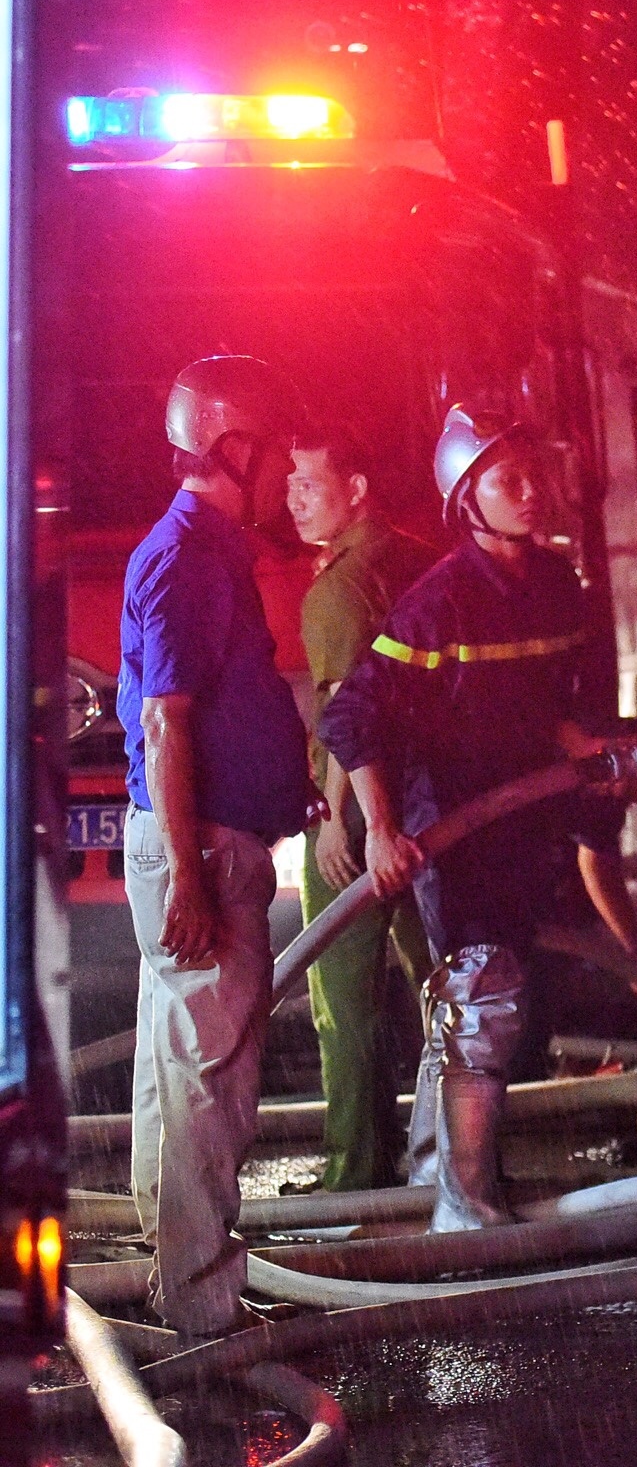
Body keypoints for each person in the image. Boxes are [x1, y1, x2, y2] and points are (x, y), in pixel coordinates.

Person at [318, 407, 637, 1231]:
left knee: (477, 1000)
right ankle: (465, 1211)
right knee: (483, 997)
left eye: (534, 474)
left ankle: (435, 1179)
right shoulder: (440, 602)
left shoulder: (555, 586)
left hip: (525, 824)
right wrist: (379, 828)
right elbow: (354, 717)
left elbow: (553, 707)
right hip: (453, 830)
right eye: (509, 479)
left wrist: (597, 757)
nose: (531, 490)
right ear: (465, 498)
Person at [117, 356, 313, 1336]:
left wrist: (288, 780)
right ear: (236, 447)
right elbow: (167, 726)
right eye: (277, 456)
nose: (287, 476)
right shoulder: (190, 555)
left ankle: (175, 1288)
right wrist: (191, 875)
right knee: (208, 1088)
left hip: (210, 841)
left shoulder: (206, 553)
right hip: (203, 849)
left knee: (176, 1073)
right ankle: (201, 1314)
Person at [284, 425, 434, 1193]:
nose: (292, 498)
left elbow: (348, 712)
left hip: (365, 815)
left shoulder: (337, 588)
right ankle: (451, 1157)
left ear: (357, 489)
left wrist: (339, 821)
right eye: (289, 483)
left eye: (309, 483)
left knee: (344, 1001)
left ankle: (356, 1171)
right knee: (443, 987)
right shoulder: (416, 559)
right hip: (432, 805)